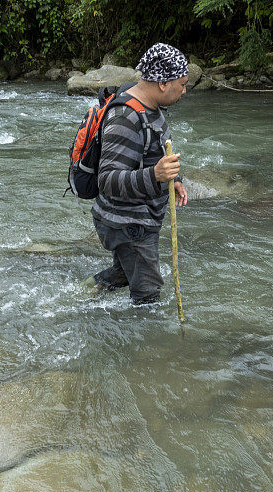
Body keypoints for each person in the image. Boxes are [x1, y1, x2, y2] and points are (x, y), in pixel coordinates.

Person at [90, 43, 189, 305]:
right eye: (182, 84)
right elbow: (107, 179)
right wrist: (155, 175)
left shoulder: (151, 107)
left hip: (132, 219)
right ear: (164, 84)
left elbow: (152, 153)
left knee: (123, 274)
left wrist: (173, 179)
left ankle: (82, 294)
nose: (185, 90)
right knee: (148, 298)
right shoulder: (126, 117)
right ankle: (143, 346)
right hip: (129, 223)